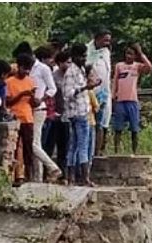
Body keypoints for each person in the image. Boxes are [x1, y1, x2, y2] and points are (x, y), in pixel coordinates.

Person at [62, 44, 99, 186]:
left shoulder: (81, 70)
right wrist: (85, 88)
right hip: (77, 112)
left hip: (83, 110)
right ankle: (85, 178)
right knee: (82, 145)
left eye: (85, 56)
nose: (84, 59)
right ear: (75, 56)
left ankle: (71, 178)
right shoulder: (71, 72)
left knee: (75, 145)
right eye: (82, 56)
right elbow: (67, 94)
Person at [6, 53, 39, 185]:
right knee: (14, 149)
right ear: (18, 66)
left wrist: (34, 100)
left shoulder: (30, 82)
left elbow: (32, 103)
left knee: (28, 148)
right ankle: (15, 175)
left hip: (28, 118)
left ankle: (28, 175)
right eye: (24, 68)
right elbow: (8, 102)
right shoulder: (9, 82)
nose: (26, 71)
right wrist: (22, 94)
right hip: (15, 117)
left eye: (28, 69)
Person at [112, 43, 152, 154]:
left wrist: (141, 53)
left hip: (132, 100)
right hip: (120, 100)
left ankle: (134, 152)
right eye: (127, 53)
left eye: (131, 54)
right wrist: (113, 96)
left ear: (135, 56)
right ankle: (117, 151)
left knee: (134, 129)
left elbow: (149, 67)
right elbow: (115, 81)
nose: (128, 56)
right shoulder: (119, 66)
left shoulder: (137, 66)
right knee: (118, 128)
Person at [31, 46, 61, 182]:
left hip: (39, 108)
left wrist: (41, 98)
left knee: (33, 144)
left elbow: (52, 89)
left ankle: (52, 167)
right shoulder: (27, 68)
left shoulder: (43, 69)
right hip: (28, 109)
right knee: (36, 143)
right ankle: (37, 177)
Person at [45, 51, 71, 180]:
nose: (69, 65)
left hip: (67, 115)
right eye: (67, 62)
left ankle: (63, 175)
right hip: (55, 114)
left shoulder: (71, 76)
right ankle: (49, 172)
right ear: (60, 63)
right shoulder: (54, 77)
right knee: (50, 144)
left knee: (64, 146)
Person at [86, 28, 112, 156]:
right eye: (105, 40)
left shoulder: (106, 52)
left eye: (109, 40)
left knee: (101, 124)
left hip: (103, 93)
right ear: (98, 38)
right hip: (89, 93)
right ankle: (88, 151)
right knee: (88, 123)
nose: (107, 42)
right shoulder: (86, 50)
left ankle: (97, 151)